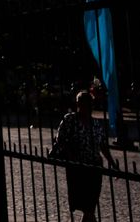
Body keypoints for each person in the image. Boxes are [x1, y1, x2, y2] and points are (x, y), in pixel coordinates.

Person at [52, 91, 119, 222]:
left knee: (90, 205)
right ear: (78, 104)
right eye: (84, 103)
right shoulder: (70, 119)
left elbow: (102, 145)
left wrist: (111, 162)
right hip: (77, 167)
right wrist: (71, 156)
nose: (87, 107)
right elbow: (60, 139)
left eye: (89, 104)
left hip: (94, 165)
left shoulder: (95, 123)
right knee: (86, 205)